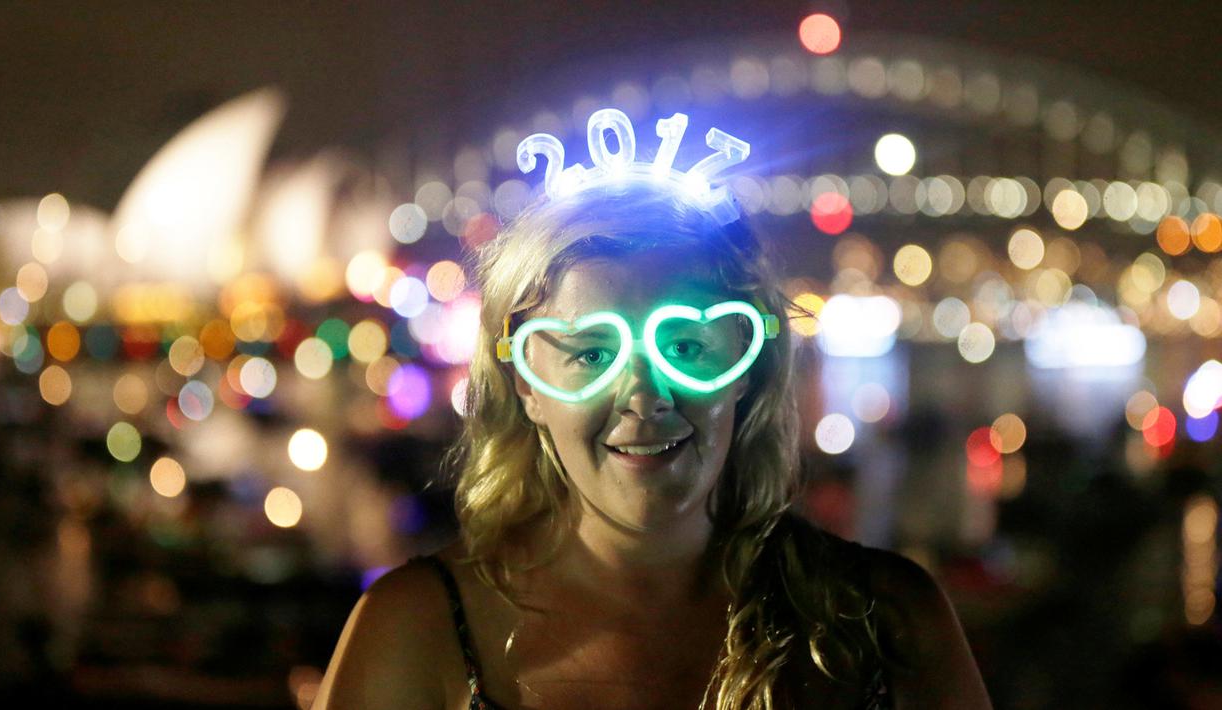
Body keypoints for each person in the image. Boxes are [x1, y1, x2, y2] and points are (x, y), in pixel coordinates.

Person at [313, 115, 992, 709]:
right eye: (589, 353)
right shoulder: (411, 634)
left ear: (748, 367)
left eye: (687, 346)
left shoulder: (892, 624)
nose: (643, 394)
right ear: (525, 384)